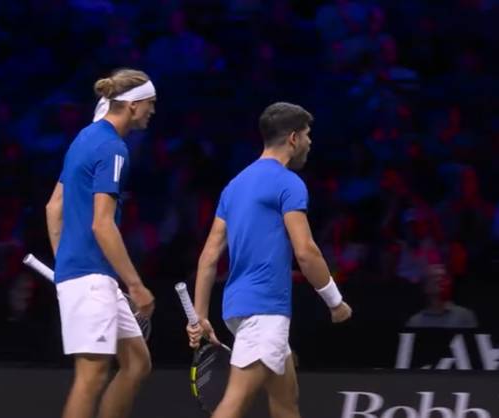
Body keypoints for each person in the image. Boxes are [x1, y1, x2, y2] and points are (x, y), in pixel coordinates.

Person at [187, 102, 353, 418]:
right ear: (293, 138)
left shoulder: (234, 186)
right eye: (307, 135)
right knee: (233, 405)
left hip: (237, 308)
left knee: (286, 402)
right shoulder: (288, 183)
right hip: (264, 310)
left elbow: (208, 256)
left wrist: (201, 315)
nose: (310, 142)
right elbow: (306, 252)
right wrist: (335, 302)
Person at [45, 68, 157, 418]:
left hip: (88, 274)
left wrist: (65, 264)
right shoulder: (113, 148)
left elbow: (54, 207)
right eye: (150, 104)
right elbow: (102, 224)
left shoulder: (84, 137)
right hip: (91, 278)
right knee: (91, 377)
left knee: (136, 362)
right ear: (134, 105)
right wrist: (136, 286)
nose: (153, 111)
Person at [405, 262, 478, 329]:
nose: (439, 280)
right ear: (425, 287)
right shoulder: (415, 322)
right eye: (434, 277)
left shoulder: (464, 316)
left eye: (443, 277)